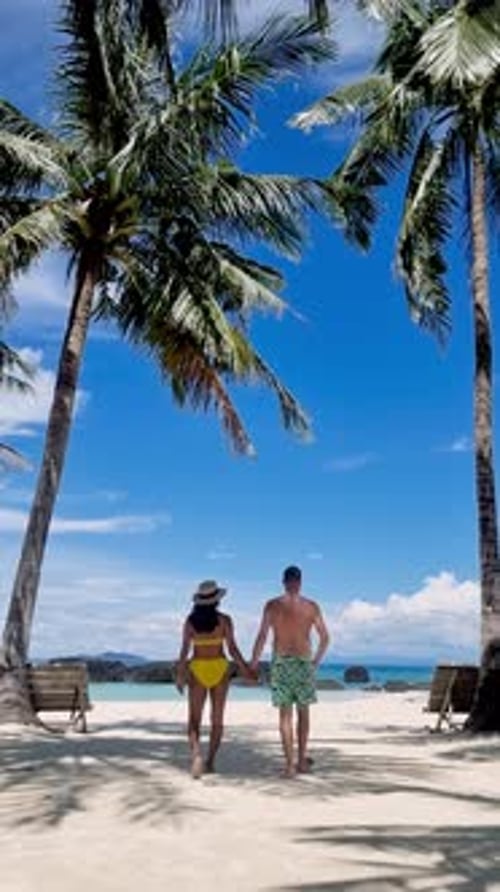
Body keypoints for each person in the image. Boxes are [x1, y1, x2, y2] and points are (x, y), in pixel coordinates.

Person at [250, 565, 329, 778]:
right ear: (300, 582)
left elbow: (262, 636)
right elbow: (325, 637)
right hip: (304, 663)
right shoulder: (311, 606)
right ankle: (302, 760)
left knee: (285, 716)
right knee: (303, 713)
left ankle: (289, 766)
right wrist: (315, 663)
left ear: (284, 582)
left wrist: (254, 663)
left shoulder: (272, 605)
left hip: (281, 663)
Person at [175, 579, 251, 778]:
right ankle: (210, 761)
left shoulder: (190, 622)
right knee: (217, 720)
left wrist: (180, 675)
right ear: (217, 600)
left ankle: (197, 756)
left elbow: (184, 652)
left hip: (198, 668)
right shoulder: (225, 621)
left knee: (194, 720)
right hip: (219, 667)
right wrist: (246, 669)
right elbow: (233, 650)